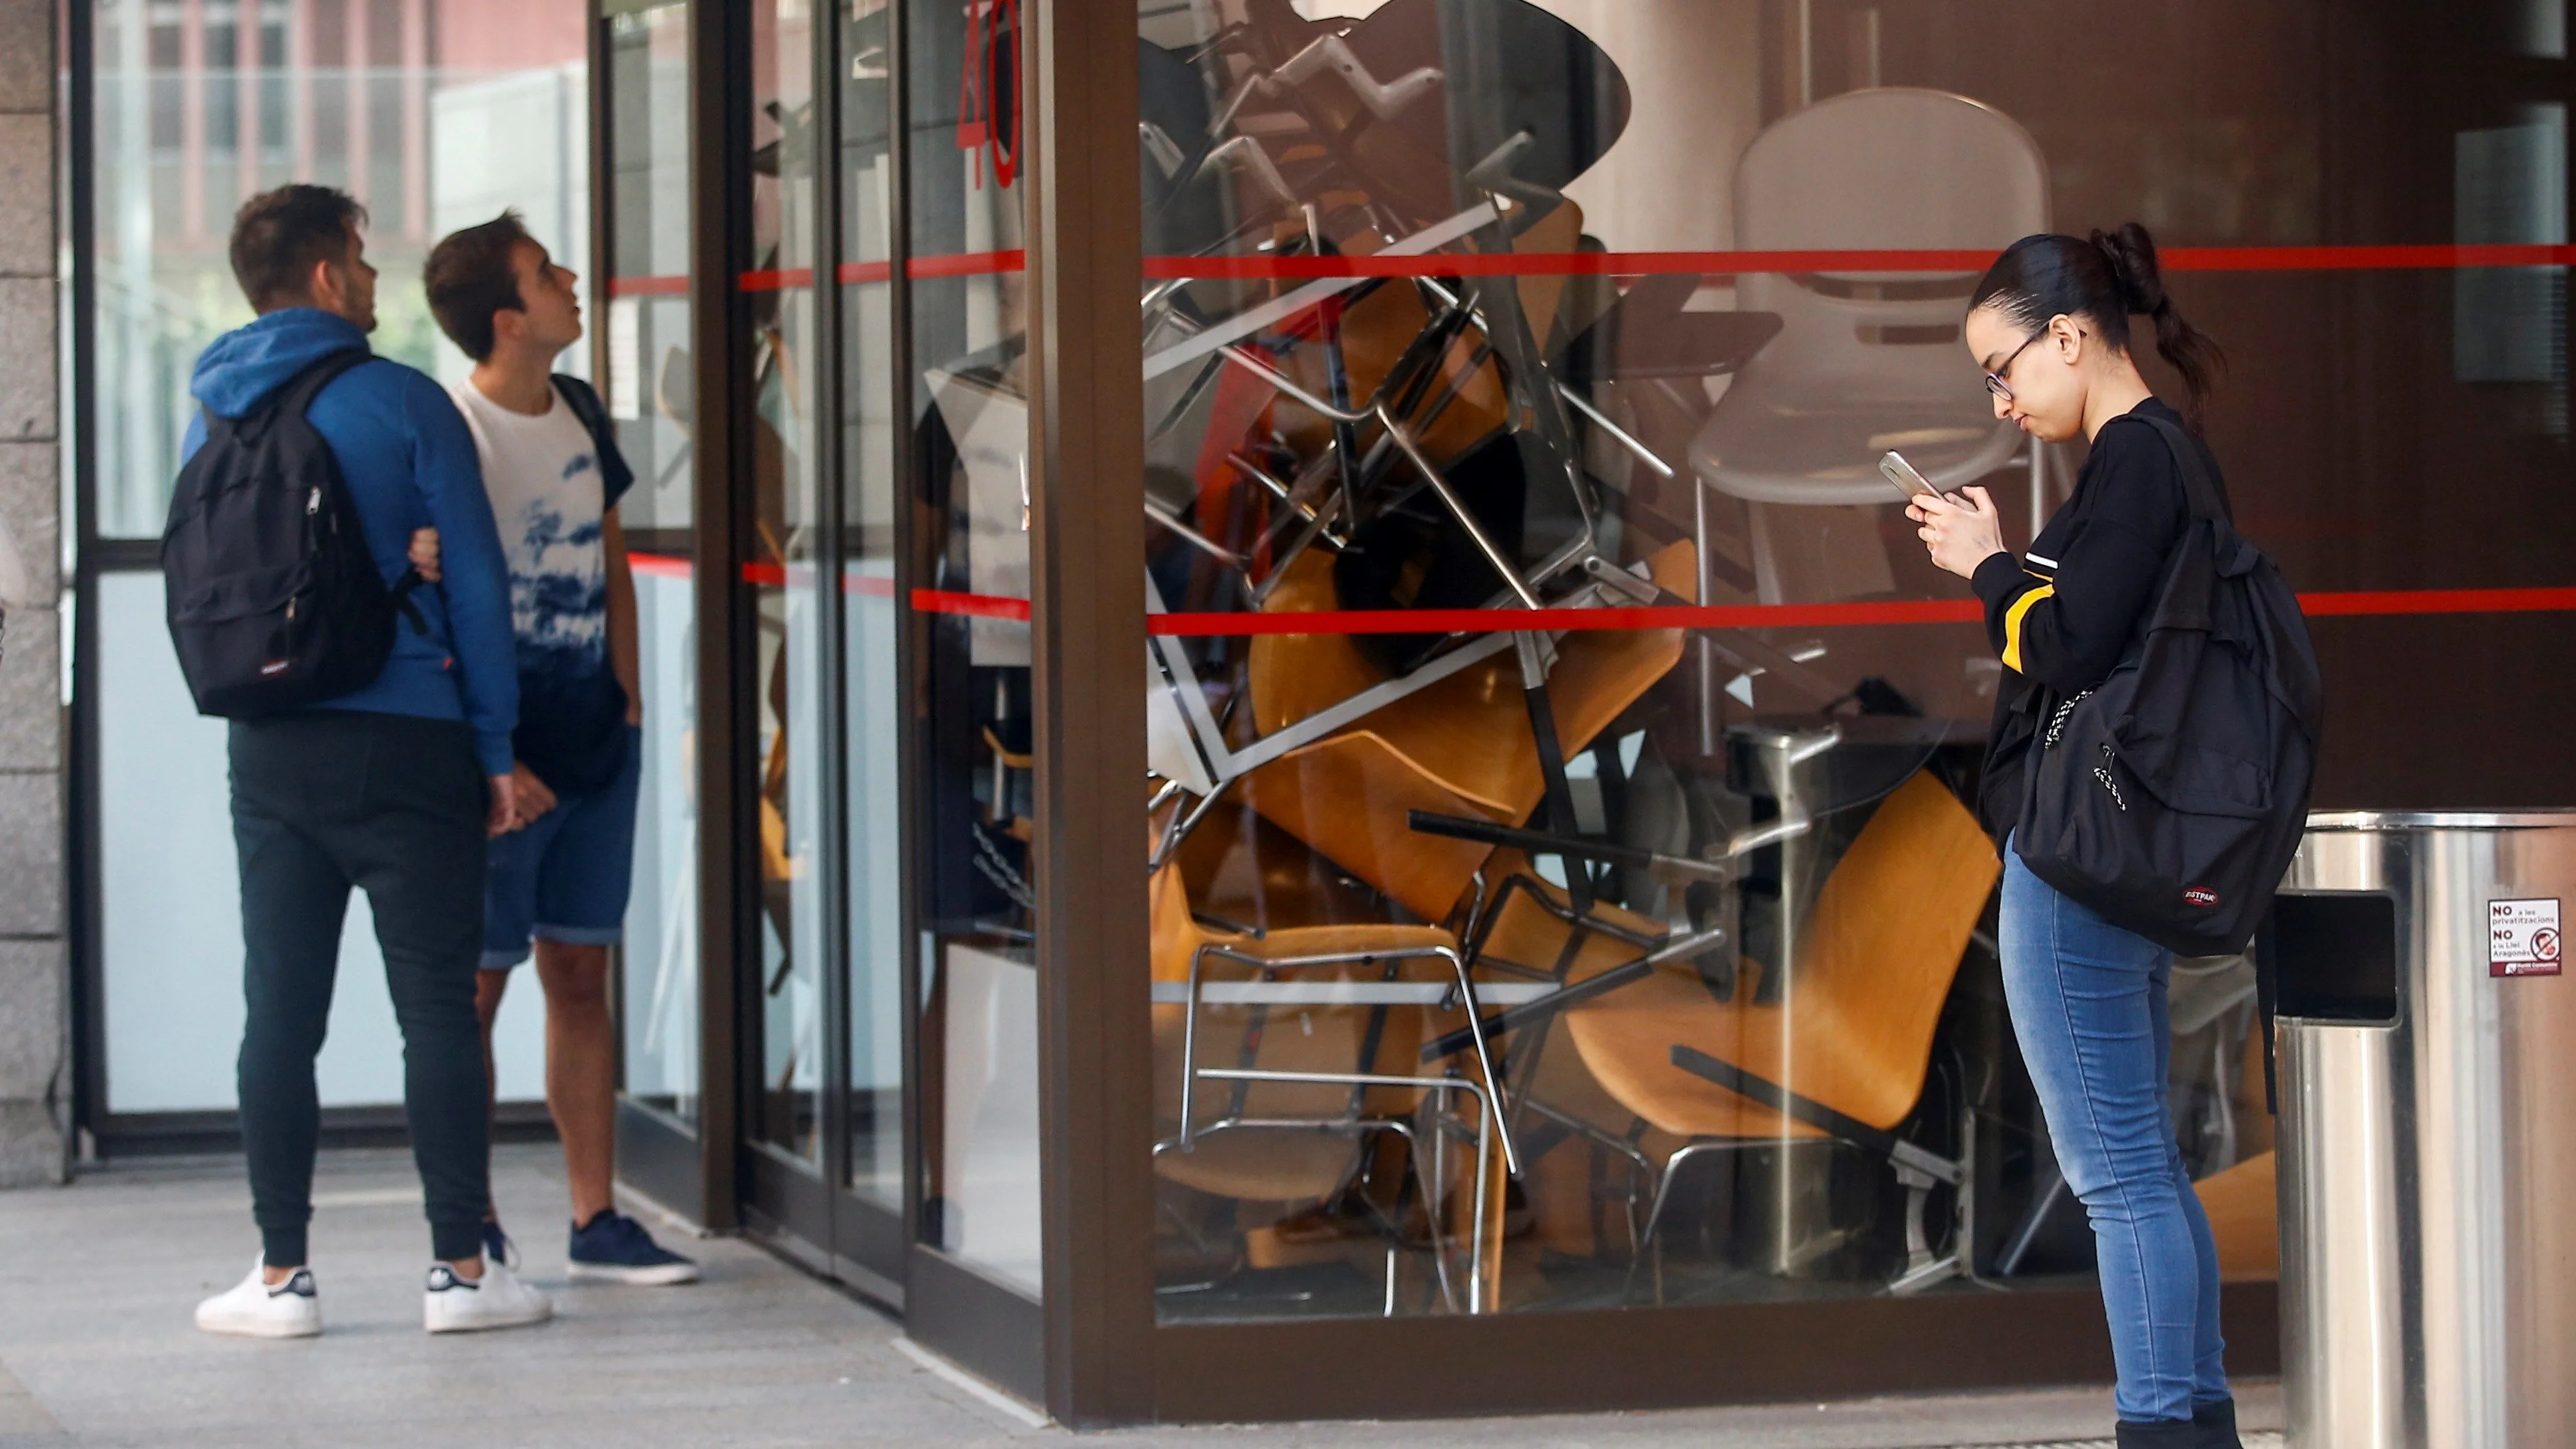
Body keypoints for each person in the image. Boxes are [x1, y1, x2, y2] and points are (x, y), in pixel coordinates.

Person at [187, 185, 553, 1337]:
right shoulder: (403, 401)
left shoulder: (209, 408)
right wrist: (497, 746)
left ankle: (280, 1276)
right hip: (412, 737)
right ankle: (461, 1272)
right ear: (328, 276)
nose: (378, 277)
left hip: (272, 742)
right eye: (362, 255)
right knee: (438, 1009)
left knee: (278, 1014)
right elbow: (481, 589)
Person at [1907, 225, 2241, 1449]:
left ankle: (2161, 1429)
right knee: (2144, 1166)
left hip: (2081, 860)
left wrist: (1989, 568)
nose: (1999, 396)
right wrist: (2011, 565)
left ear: (2068, 335)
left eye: (2004, 368)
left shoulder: (2134, 462)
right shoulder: (2159, 460)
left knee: (2118, 1178)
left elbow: (2070, 646)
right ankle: (2196, 1426)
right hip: (2124, 849)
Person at [421, 211, 698, 1285]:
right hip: (502, 760)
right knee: (479, 990)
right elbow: (433, 605)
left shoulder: (577, 408)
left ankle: (597, 1217)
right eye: (546, 275)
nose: (571, 281)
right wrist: (491, 753)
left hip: (595, 741)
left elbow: (611, 556)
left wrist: (627, 700)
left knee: (580, 972)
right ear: (506, 319)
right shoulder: (453, 428)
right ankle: (472, 1218)